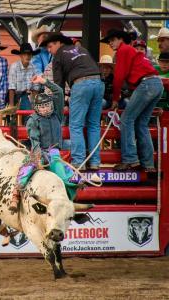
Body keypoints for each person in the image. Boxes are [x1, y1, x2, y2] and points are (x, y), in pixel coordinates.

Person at [9, 75, 86, 212]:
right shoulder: (33, 120)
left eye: (47, 106)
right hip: (38, 151)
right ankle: (16, 194)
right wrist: (38, 156)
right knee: (27, 168)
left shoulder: (57, 115)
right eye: (42, 107)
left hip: (53, 151)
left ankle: (72, 187)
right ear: (36, 108)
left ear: (51, 105)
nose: (45, 109)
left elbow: (59, 92)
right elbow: (34, 140)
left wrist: (44, 82)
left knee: (58, 167)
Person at [101, 29, 163, 172]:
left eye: (112, 40)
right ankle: (148, 164)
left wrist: (115, 99)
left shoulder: (122, 51)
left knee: (126, 119)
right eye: (109, 41)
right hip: (156, 83)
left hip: (146, 84)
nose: (110, 43)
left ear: (120, 40)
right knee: (141, 123)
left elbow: (119, 77)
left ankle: (130, 159)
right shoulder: (130, 51)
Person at [41, 32, 103, 171]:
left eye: (50, 46)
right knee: (93, 125)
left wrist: (59, 104)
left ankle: (79, 161)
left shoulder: (58, 56)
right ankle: (95, 162)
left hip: (80, 85)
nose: (49, 50)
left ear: (58, 43)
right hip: (98, 83)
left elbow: (58, 85)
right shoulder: (82, 49)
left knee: (75, 125)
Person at [8, 43, 40, 115]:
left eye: (29, 54)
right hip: (13, 96)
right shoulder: (14, 67)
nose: (27, 56)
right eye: (24, 54)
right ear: (20, 55)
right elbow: (11, 88)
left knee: (29, 112)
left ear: (31, 56)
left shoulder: (34, 68)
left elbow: (35, 89)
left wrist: (36, 106)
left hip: (25, 96)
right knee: (13, 116)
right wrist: (11, 106)